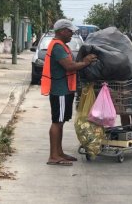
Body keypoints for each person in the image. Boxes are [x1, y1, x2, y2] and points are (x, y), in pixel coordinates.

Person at [41, 19, 97, 166]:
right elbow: (69, 66)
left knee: (61, 122)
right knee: (57, 122)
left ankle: (59, 153)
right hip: (59, 90)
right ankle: (54, 156)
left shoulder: (62, 46)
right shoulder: (58, 46)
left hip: (65, 89)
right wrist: (86, 62)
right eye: (70, 31)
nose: (72, 33)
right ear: (62, 31)